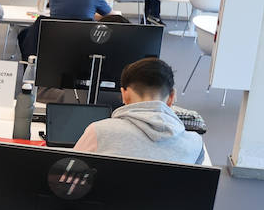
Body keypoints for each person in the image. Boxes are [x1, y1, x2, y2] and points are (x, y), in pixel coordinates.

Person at [75, 57, 205, 164]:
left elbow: (68, 173)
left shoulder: (99, 131)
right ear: (171, 98)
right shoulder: (195, 144)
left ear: (124, 95)